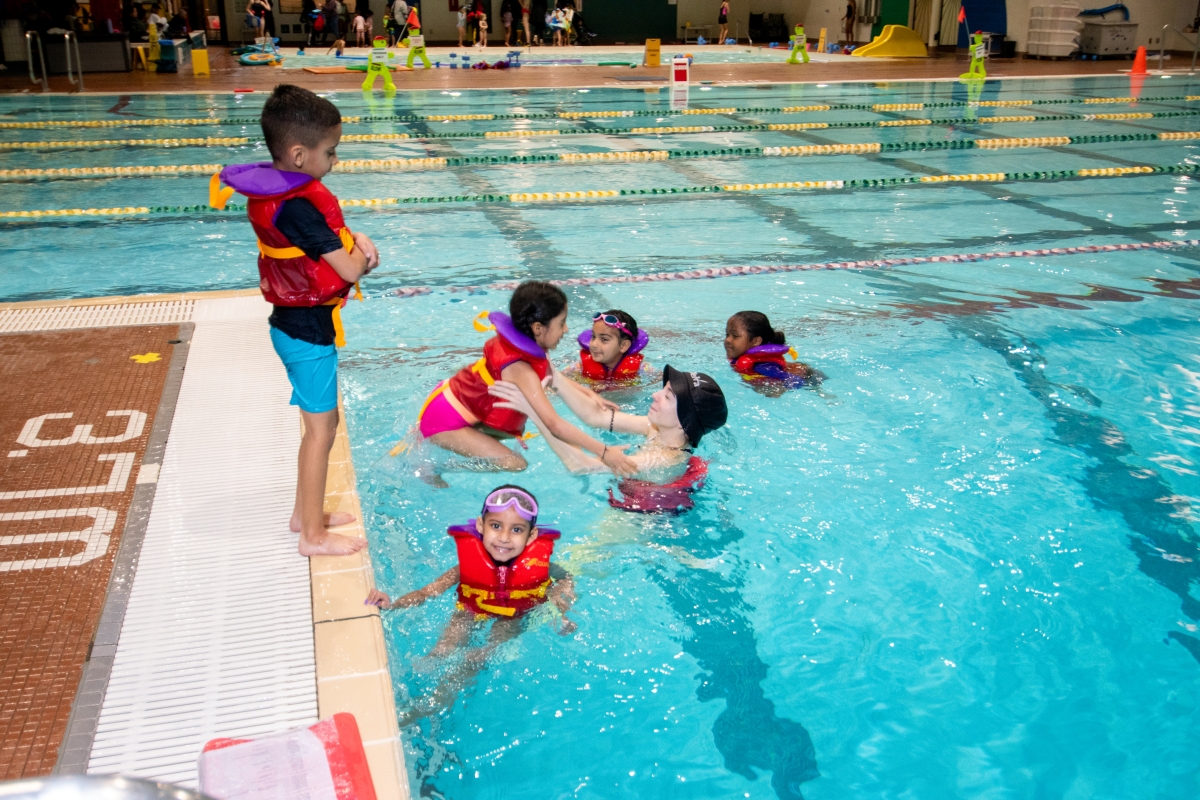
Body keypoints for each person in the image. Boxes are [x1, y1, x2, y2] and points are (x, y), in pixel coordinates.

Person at [218, 85, 380, 556]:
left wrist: (355, 235)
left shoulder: (288, 197)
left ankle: (302, 513)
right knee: (320, 432)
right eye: (330, 152)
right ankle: (312, 535)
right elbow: (349, 269)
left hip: (295, 325)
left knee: (320, 428)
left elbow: (333, 244)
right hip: (305, 333)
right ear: (297, 153)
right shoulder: (299, 208)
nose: (334, 160)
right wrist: (365, 252)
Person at [414, 282, 638, 475]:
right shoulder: (519, 368)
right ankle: (437, 467)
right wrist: (605, 452)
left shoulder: (529, 344)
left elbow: (552, 374)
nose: (566, 329)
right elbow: (554, 424)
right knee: (515, 463)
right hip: (443, 422)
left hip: (449, 400)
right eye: (561, 323)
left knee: (507, 433)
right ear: (539, 328)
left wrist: (589, 394)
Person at [489, 365, 728, 479]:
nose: (655, 395)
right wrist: (553, 375)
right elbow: (596, 417)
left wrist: (533, 408)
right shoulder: (653, 429)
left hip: (642, 520)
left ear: (684, 421)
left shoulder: (665, 459)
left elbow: (581, 466)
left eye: (667, 397)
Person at [723, 310, 814, 389]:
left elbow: (784, 384)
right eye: (727, 334)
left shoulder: (762, 365)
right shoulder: (743, 360)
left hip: (809, 377)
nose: (728, 340)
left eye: (735, 336)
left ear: (755, 341)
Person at [572, 309, 650, 388]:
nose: (594, 344)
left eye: (604, 339)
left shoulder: (641, 369)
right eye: (593, 337)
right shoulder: (579, 367)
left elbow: (660, 383)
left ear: (623, 346)